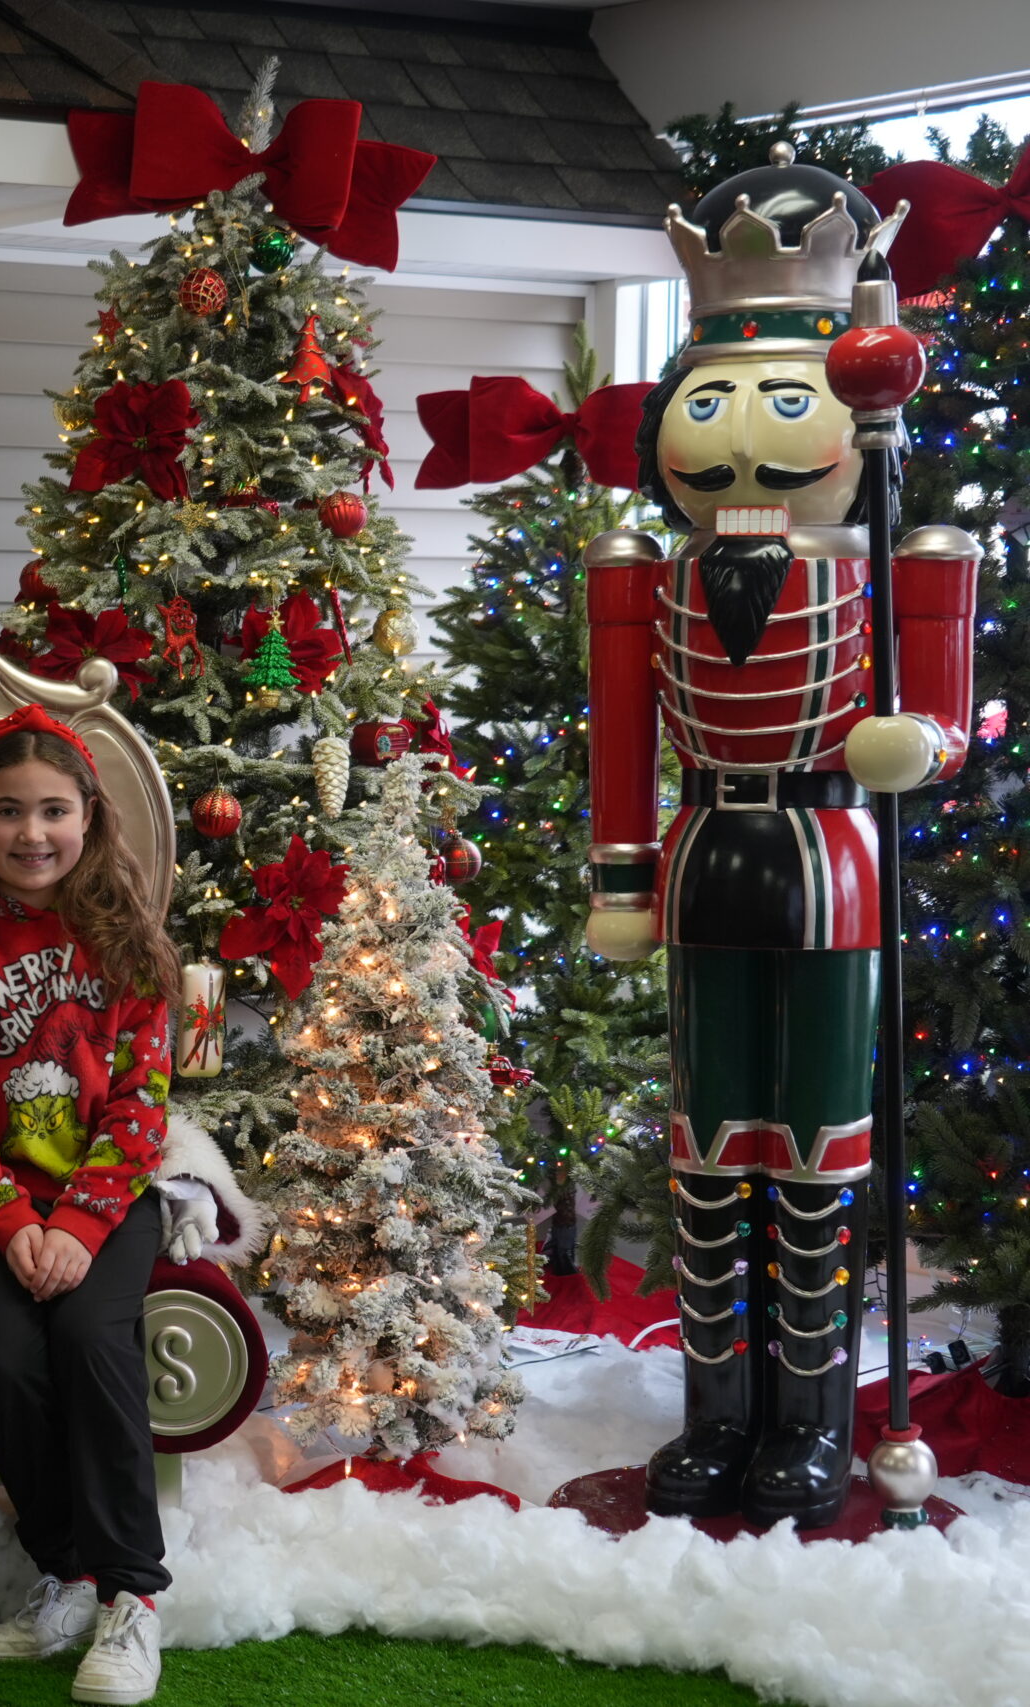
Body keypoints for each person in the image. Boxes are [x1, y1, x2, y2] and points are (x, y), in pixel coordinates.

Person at [585, 146, 977, 1528]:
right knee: (707, 1144)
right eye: (712, 400)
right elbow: (624, 737)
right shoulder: (644, 574)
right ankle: (716, 1412)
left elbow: (945, 723)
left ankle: (807, 1422)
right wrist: (621, 874)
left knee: (816, 1145)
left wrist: (914, 747)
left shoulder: (903, 559)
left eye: (784, 396)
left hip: (830, 872)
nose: (741, 436)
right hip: (703, 861)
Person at [0, 705, 192, 1707]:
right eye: (8, 811)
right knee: (7, 1359)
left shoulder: (128, 940)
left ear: (87, 816)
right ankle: (66, 1573)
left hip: (107, 1198)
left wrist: (81, 1225)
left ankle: (132, 1595)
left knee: (92, 1342)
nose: (31, 833)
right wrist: (15, 1222)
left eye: (53, 810)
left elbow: (143, 1101)